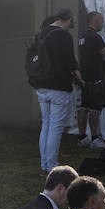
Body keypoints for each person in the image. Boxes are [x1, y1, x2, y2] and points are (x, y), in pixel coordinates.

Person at [30, 9, 81, 174]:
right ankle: (51, 165)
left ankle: (44, 163)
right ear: (68, 19)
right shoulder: (64, 36)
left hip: (41, 84)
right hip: (59, 85)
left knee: (46, 124)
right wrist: (77, 72)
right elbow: (70, 62)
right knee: (56, 127)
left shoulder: (40, 34)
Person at [76, 11, 105, 148]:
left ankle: (82, 137)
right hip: (95, 78)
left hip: (84, 78)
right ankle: (95, 138)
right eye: (101, 21)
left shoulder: (82, 36)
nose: (102, 24)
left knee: (84, 107)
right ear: (95, 22)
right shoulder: (95, 37)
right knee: (95, 109)